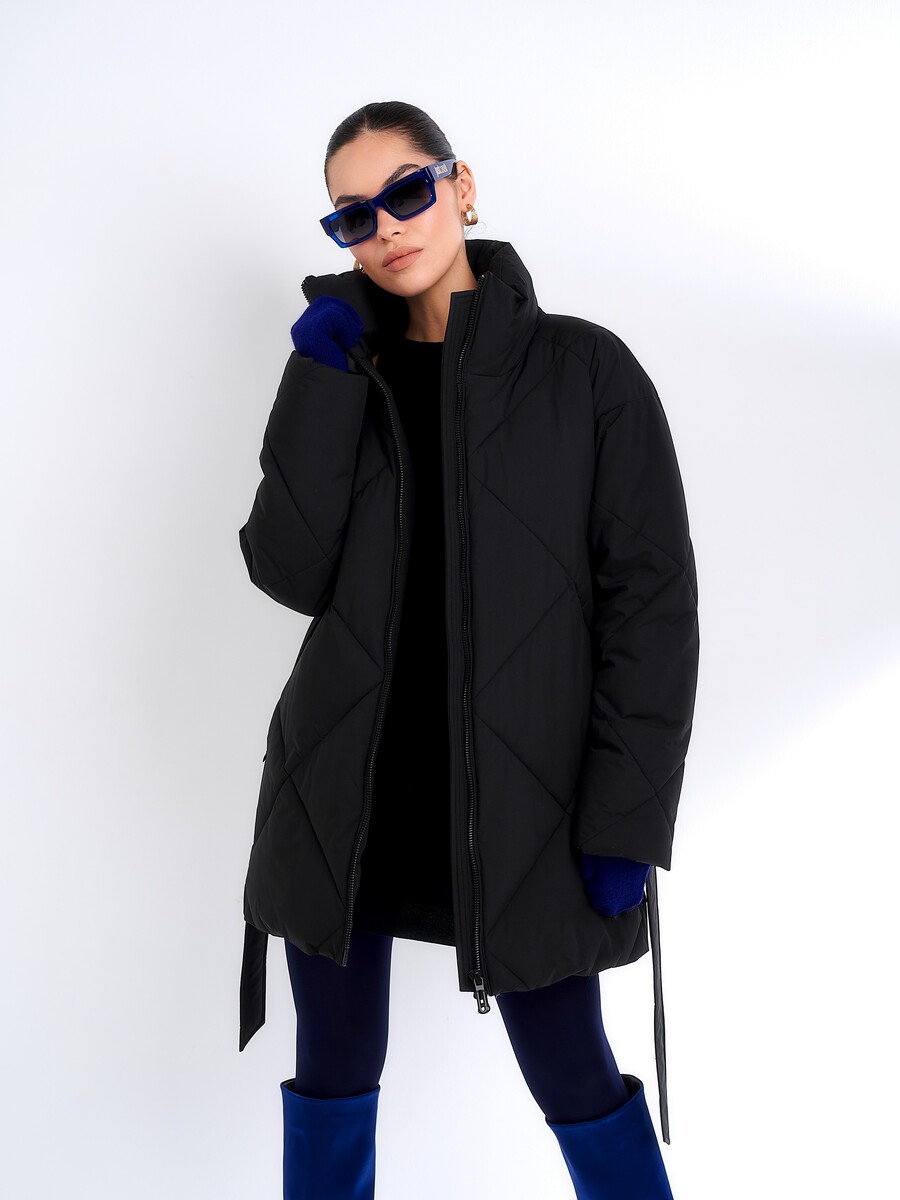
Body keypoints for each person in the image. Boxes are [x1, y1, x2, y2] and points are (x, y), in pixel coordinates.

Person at [237, 100, 700, 1200]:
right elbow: (286, 570)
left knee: (573, 1072)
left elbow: (653, 610)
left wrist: (627, 819)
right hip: (346, 793)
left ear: (462, 187)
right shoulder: (343, 369)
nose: (386, 227)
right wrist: (317, 382)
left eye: (405, 192)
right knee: (333, 1071)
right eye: (353, 216)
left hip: (528, 804)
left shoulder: (587, 373)